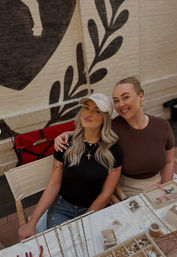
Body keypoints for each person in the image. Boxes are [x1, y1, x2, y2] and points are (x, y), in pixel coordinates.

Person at [18, 93, 122, 241]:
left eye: (97, 111)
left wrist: (83, 220)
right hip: (62, 208)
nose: (88, 113)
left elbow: (106, 194)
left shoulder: (114, 151)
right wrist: (32, 221)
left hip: (93, 210)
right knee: (60, 245)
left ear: (105, 119)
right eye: (86, 107)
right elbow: (54, 183)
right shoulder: (65, 143)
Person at [54, 77, 175, 197]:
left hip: (160, 186)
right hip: (126, 193)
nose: (121, 104)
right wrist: (66, 134)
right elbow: (87, 132)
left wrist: (165, 190)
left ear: (141, 96)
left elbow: (169, 162)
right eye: (116, 100)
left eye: (125, 97)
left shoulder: (162, 125)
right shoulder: (112, 128)